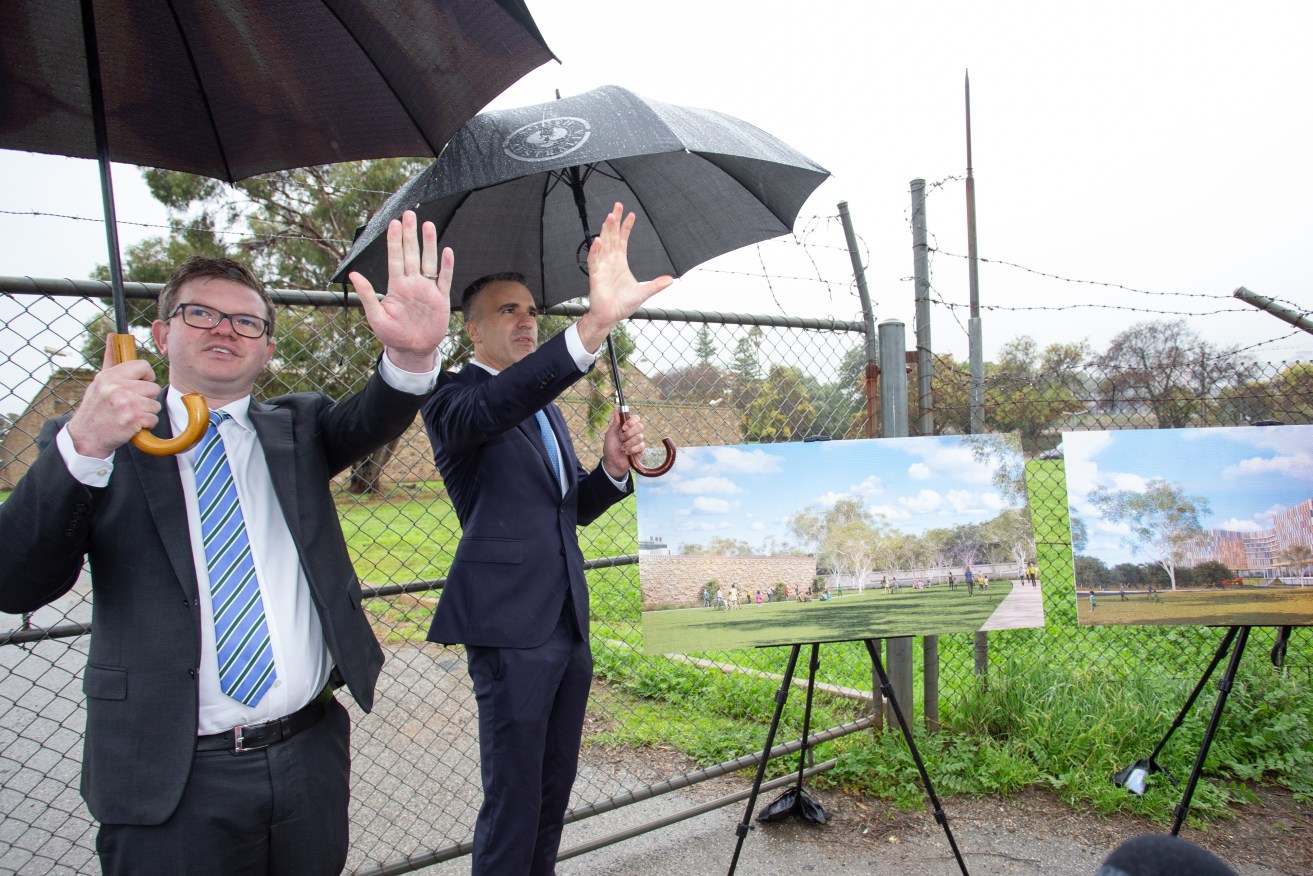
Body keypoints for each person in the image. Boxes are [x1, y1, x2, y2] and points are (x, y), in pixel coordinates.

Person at [0, 211, 450, 875]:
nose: (224, 330)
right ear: (160, 333)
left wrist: (411, 356)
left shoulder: (297, 428)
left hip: (308, 758)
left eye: (247, 322)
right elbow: (18, 584)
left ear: (267, 348)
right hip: (171, 777)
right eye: (199, 314)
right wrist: (88, 445)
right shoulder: (98, 437)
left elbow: (375, 413)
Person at [420, 203, 670, 876]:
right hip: (509, 630)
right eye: (506, 310)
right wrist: (593, 325)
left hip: (566, 622)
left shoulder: (550, 417)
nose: (526, 319)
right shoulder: (452, 401)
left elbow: (566, 514)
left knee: (552, 790)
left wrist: (612, 471)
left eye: (531, 309)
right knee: (513, 798)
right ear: (470, 330)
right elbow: (499, 405)